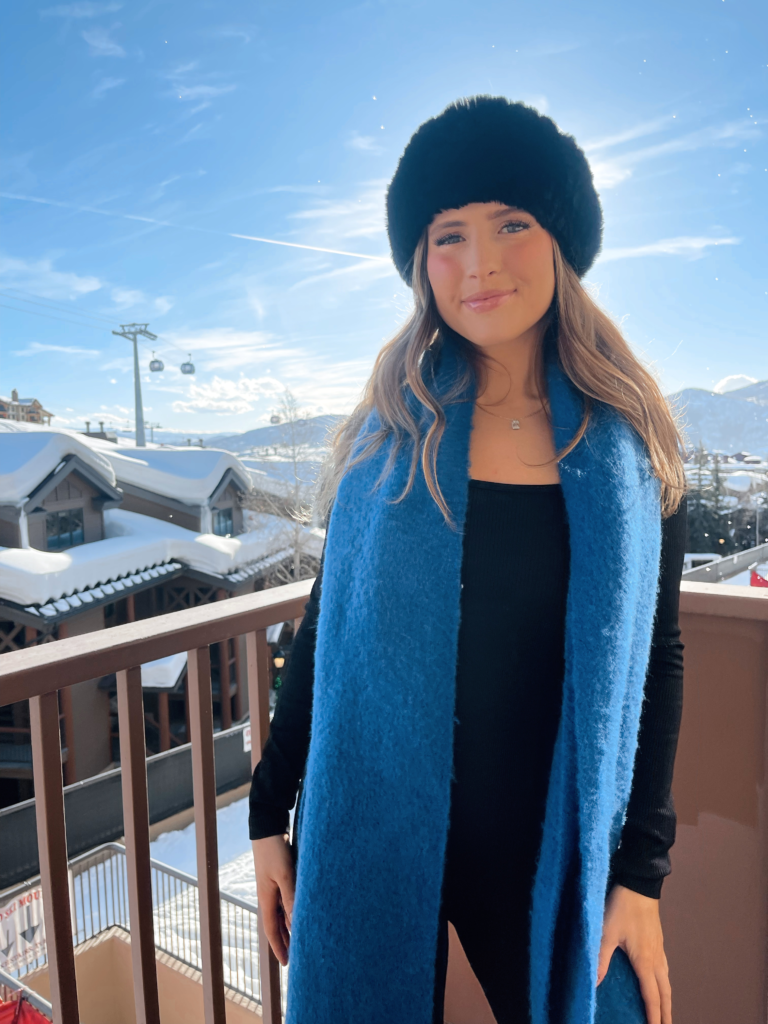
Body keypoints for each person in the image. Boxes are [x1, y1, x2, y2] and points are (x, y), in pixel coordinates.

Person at [249, 96, 686, 1024]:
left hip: (548, 845)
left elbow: (660, 656)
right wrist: (266, 814)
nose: (480, 262)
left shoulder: (632, 447)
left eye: (511, 224)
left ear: (562, 243)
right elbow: (329, 626)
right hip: (374, 824)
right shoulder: (389, 436)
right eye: (449, 235)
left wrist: (641, 875)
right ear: (422, 263)